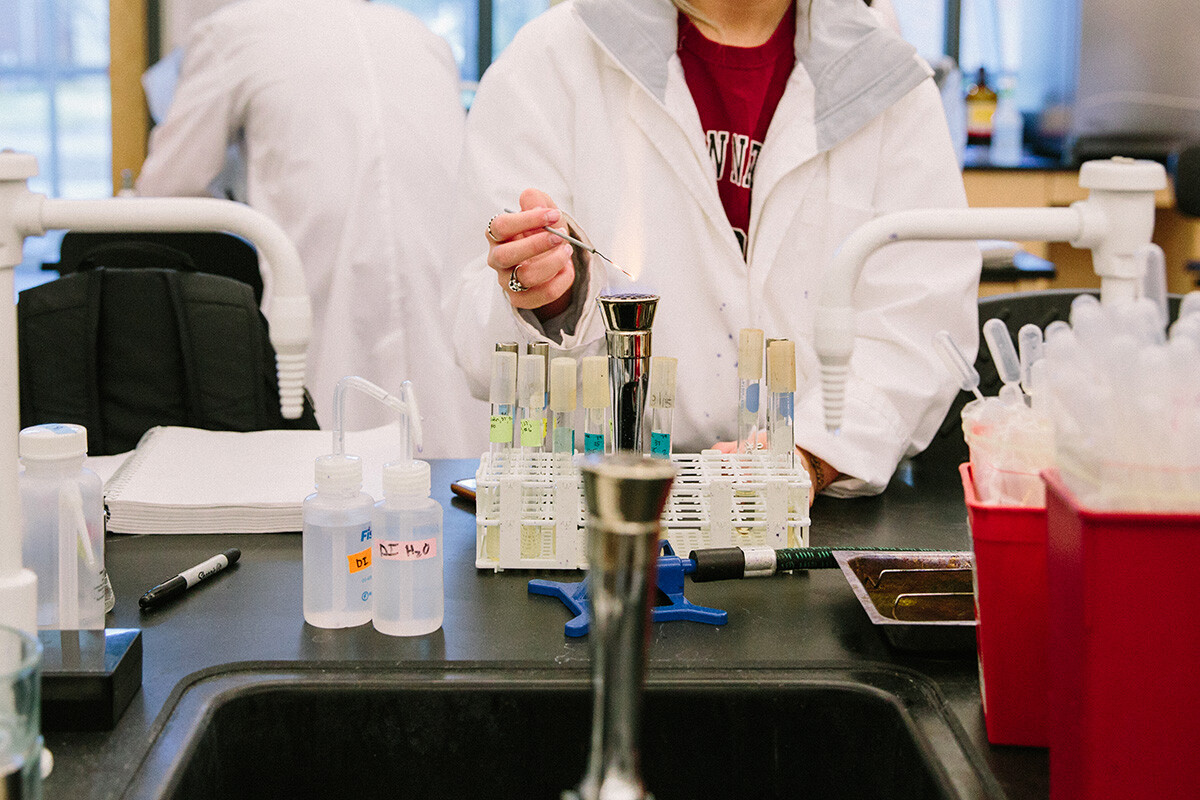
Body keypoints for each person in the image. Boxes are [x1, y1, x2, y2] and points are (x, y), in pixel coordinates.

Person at [446, 0, 980, 499]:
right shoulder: (551, 61)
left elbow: (920, 322)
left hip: (812, 517)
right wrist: (544, 299)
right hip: (599, 509)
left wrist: (810, 454)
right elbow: (474, 327)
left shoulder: (886, 80)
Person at [137, 0, 486, 457]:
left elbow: (165, 186)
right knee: (442, 465)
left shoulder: (232, 33)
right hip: (441, 286)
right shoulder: (420, 34)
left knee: (330, 470)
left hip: (321, 287)